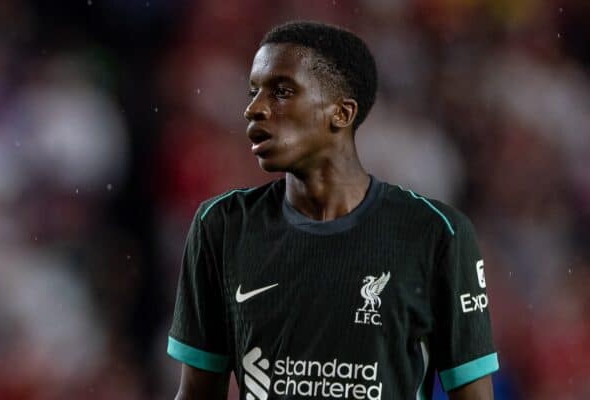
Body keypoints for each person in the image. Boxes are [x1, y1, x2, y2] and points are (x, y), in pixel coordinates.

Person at [167, 21, 499, 400]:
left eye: (281, 92)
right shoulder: (222, 226)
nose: (253, 109)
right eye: (253, 92)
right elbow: (196, 393)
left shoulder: (437, 234)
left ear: (341, 113)